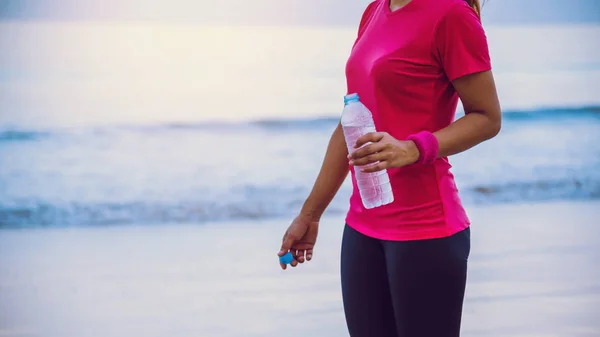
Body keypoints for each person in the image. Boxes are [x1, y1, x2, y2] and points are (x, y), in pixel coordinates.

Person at [277, 0, 501, 336]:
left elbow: (487, 117)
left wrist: (413, 148)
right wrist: (310, 214)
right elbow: (351, 125)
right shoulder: (375, 11)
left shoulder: (451, 15)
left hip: (426, 230)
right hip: (362, 228)